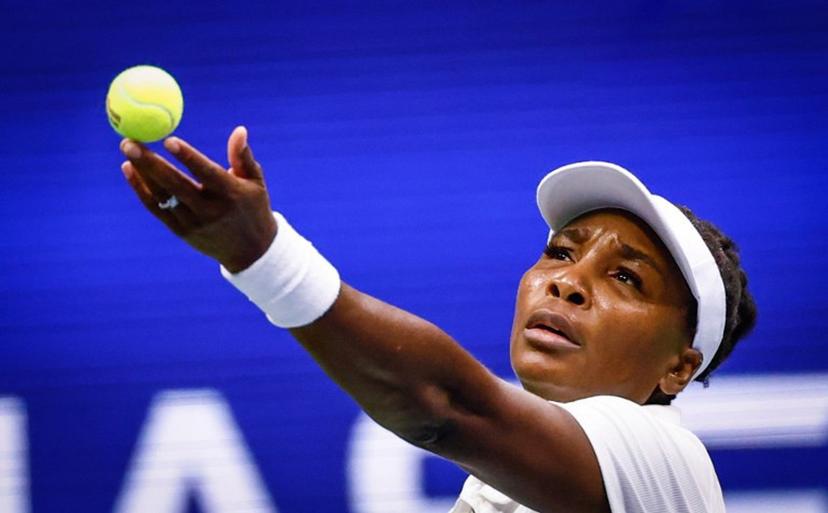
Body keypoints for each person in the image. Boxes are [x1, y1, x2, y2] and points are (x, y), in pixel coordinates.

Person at [118, 126, 757, 513]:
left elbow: (444, 406)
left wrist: (265, 258)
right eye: (559, 252)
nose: (567, 282)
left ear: (679, 368)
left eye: (625, 278)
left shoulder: (664, 456)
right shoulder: (499, 486)